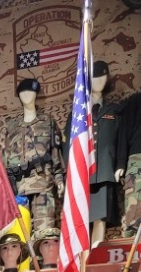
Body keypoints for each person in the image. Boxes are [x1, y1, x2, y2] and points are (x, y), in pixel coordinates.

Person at [63, 60, 120, 246]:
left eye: (103, 76)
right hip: (82, 172)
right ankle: (83, 254)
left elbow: (120, 141)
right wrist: (68, 173)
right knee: (80, 219)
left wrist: (120, 165)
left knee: (100, 217)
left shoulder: (115, 111)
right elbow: (68, 145)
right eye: (95, 77)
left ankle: (96, 252)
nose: (99, 81)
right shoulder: (78, 113)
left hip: (104, 170)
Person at [1, 79, 64, 231]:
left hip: (43, 185)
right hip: (19, 189)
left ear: (36, 94)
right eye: (23, 92)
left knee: (45, 233)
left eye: (30, 91)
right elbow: (5, 159)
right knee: (21, 235)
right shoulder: (11, 127)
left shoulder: (47, 122)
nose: (27, 95)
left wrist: (59, 179)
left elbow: (55, 153)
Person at [117, 91, 141, 236]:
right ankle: (132, 239)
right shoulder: (135, 101)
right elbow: (124, 132)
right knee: (133, 206)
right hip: (137, 157)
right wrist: (121, 163)